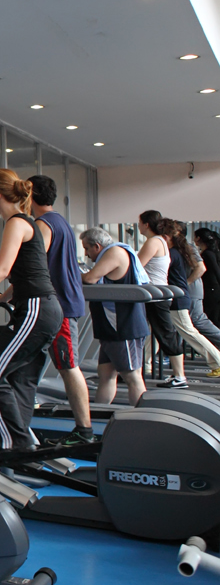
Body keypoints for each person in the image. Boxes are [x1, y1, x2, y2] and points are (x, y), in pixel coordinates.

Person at [0, 170, 64, 451]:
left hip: (36, 308)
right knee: (20, 380)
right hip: (44, 307)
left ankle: (9, 443)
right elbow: (27, 270)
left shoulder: (15, 223)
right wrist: (3, 296)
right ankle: (21, 445)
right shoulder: (26, 222)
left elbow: (2, 269)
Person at [28, 175, 94, 444]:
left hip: (60, 307)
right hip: (61, 303)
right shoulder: (60, 222)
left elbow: (34, 265)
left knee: (69, 366)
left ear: (30, 195)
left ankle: (84, 431)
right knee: (59, 363)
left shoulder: (43, 224)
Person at [79, 228, 149, 406]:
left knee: (132, 376)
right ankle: (98, 414)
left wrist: (70, 275)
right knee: (106, 374)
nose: (86, 254)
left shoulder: (115, 252)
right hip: (110, 328)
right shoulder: (111, 253)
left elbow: (90, 279)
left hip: (121, 326)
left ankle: (144, 416)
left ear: (97, 246)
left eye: (87, 249)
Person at [158, 219, 220, 377]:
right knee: (176, 326)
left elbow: (201, 268)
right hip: (184, 292)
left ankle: (216, 360)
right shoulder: (177, 248)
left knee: (194, 324)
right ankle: (157, 360)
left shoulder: (187, 247)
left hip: (189, 292)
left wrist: (185, 284)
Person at [138, 210, 189, 387]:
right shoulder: (160, 241)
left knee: (165, 334)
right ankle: (134, 371)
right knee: (157, 333)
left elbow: (137, 266)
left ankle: (179, 376)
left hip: (155, 295)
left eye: (139, 222)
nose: (138, 226)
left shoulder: (153, 242)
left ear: (146, 224)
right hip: (155, 294)